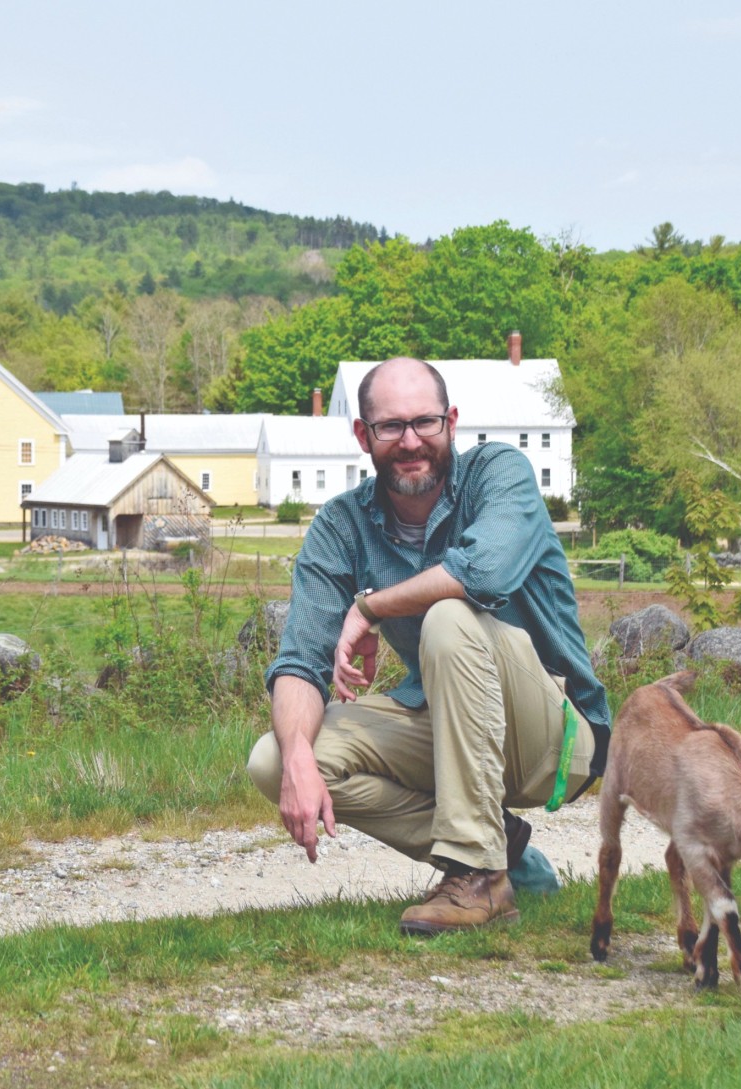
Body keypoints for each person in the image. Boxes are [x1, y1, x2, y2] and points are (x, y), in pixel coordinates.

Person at [247, 357, 611, 935]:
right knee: (274, 758)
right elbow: (299, 662)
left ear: (452, 423)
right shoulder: (342, 526)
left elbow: (481, 574)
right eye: (391, 426)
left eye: (425, 422)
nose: (411, 441)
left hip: (553, 734)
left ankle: (476, 875)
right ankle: (504, 854)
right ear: (363, 435)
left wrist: (371, 606)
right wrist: (296, 760)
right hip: (451, 727)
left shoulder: (499, 473)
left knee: (449, 615)